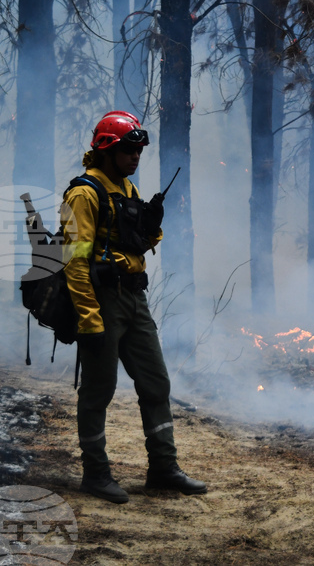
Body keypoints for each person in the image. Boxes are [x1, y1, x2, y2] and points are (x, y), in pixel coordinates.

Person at [61, 110, 206, 504]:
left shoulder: (128, 191)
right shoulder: (83, 193)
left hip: (134, 300)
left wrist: (152, 226)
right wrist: (89, 318)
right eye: (128, 149)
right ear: (106, 149)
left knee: (156, 383)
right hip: (101, 301)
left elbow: (136, 242)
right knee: (98, 390)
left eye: (139, 150)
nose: (135, 157)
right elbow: (74, 261)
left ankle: (163, 468)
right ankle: (96, 474)